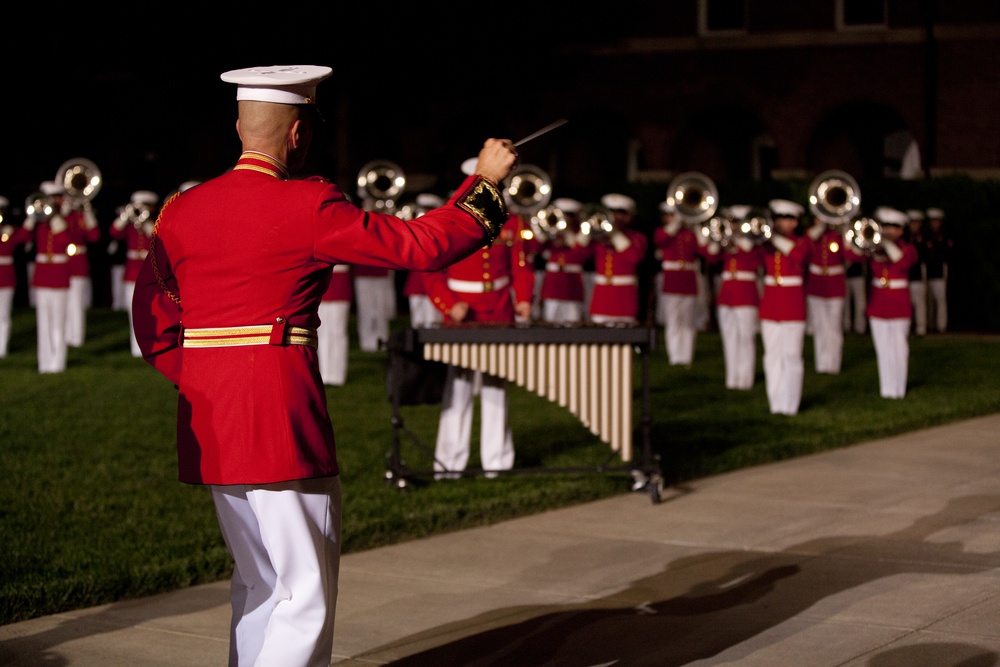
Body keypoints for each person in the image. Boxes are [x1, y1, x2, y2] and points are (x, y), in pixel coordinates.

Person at [130, 64, 518, 667]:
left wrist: (205, 376)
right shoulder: (309, 201)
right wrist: (486, 185)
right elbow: (419, 247)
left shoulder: (181, 210)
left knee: (258, 582)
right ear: (297, 135)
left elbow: (152, 318)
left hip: (210, 418)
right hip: (280, 410)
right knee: (301, 590)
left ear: (239, 125)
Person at [423, 158, 535, 479]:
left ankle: (497, 463)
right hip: (462, 312)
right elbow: (430, 269)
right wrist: (448, 304)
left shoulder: (512, 222)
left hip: (498, 309)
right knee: (457, 386)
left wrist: (524, 300)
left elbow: (521, 265)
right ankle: (449, 463)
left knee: (495, 386)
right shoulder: (450, 217)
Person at [844, 206, 918, 398]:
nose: (887, 230)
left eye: (893, 226)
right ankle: (886, 390)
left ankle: (898, 389)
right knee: (883, 349)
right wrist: (847, 229)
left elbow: (902, 262)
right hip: (878, 304)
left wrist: (884, 242)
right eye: (884, 225)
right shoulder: (872, 247)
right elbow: (851, 255)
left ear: (901, 230)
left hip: (899, 303)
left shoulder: (908, 249)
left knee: (899, 348)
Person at [704, 205, 764, 390]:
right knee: (729, 338)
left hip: (745, 294)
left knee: (746, 338)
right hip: (727, 295)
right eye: (732, 222)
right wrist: (719, 238)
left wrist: (736, 237)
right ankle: (732, 378)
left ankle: (745, 379)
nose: (734, 226)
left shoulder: (754, 240)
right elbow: (711, 255)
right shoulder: (728, 241)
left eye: (738, 222)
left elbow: (749, 252)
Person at [759, 198, 810, 415]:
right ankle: (776, 402)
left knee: (791, 356)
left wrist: (772, 236)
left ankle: (791, 404)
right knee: (772, 356)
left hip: (792, 305)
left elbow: (798, 254)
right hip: (771, 304)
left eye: (786, 218)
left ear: (795, 222)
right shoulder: (765, 243)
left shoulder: (802, 241)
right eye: (778, 218)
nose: (781, 222)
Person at [23, 181, 73, 373]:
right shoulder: (39, 222)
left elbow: (65, 241)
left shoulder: (65, 219)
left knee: (58, 322)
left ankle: (57, 363)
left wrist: (55, 218)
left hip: (59, 275)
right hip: (42, 276)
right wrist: (30, 218)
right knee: (43, 322)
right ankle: (44, 363)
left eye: (55, 198)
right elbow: (22, 238)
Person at [652, 199, 706, 365]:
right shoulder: (663, 232)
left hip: (688, 280)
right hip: (672, 281)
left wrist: (696, 225)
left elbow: (704, 250)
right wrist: (676, 224)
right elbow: (660, 240)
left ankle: (686, 355)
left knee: (688, 321)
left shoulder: (689, 233)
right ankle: (675, 356)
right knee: (673, 320)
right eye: (670, 215)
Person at [110, 189, 159, 357]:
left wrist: (146, 222)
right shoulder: (129, 226)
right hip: (132, 272)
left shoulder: (155, 223)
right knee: (134, 312)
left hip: (150, 272)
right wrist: (126, 215)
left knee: (153, 310)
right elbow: (114, 232)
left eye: (146, 206)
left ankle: (153, 343)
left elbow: (157, 238)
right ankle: (136, 347)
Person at [586, 193, 648, 324]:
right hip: (601, 299)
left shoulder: (637, 237)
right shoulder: (598, 237)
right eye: (610, 212)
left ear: (629, 216)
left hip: (624, 300)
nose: (613, 216)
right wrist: (586, 229)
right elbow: (577, 254)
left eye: (619, 212)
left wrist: (614, 233)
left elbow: (633, 257)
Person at [804, 214, 847, 373]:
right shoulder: (812, 234)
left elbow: (849, 255)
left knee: (834, 326)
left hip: (835, 284)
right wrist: (821, 225)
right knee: (820, 325)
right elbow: (806, 245)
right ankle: (822, 363)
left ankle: (833, 363)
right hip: (816, 284)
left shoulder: (838, 235)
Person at [538, 197, 592, 324]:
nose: (565, 218)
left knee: (573, 322)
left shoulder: (580, 233)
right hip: (552, 283)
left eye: (569, 215)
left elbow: (581, 254)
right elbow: (536, 248)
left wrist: (567, 233)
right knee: (550, 321)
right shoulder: (551, 229)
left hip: (572, 284)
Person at [61, 189, 101, 348]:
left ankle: (76, 337)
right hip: (63, 264)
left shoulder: (80, 217)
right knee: (63, 302)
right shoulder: (61, 217)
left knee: (76, 302)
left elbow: (95, 236)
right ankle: (65, 334)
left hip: (77, 263)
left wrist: (88, 213)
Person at [400, 193, 445, 328]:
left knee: (433, 321)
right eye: (423, 209)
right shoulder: (413, 225)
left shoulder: (440, 228)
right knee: (417, 321)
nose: (424, 213)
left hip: (435, 279)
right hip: (416, 281)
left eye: (428, 209)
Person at [0, 195, 32, 357]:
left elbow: (25, 237)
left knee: (3, 314)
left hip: (5, 278)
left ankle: (2, 348)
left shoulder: (10, 231)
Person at [317, 263, 353, 386]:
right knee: (323, 333)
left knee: (338, 332)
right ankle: (324, 373)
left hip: (338, 285)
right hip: (321, 286)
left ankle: (337, 375)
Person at [924, 207, 953, 333]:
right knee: (928, 300)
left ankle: (941, 326)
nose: (934, 224)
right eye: (932, 221)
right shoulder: (926, 235)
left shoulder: (945, 235)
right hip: (926, 272)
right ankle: (929, 324)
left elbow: (947, 254)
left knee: (940, 300)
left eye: (936, 221)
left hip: (939, 272)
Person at [904, 209, 928, 336]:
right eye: (912, 223)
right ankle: (908, 327)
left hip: (918, 274)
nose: (914, 226)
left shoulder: (923, 238)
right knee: (907, 303)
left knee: (919, 302)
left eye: (916, 223)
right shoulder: (904, 238)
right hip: (906, 275)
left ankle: (921, 328)